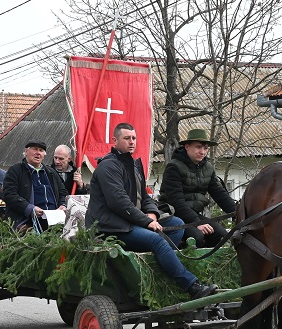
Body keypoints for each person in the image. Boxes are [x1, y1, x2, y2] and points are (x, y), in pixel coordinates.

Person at [85, 122, 217, 299]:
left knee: (178, 224)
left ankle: (161, 271)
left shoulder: (133, 165)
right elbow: (119, 203)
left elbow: (145, 198)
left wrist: (152, 214)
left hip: (131, 222)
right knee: (157, 241)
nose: (131, 142)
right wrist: (147, 222)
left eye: (133, 138)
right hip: (111, 227)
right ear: (114, 140)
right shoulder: (108, 167)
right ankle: (192, 286)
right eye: (127, 138)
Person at [159, 128, 237, 248]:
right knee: (196, 237)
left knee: (220, 234)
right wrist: (197, 223)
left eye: (205, 148)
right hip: (172, 214)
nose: (202, 151)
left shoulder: (207, 168)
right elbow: (176, 201)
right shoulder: (173, 167)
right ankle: (188, 264)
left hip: (193, 214)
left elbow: (220, 194)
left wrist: (237, 213)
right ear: (187, 146)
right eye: (198, 147)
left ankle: (209, 266)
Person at [3, 139, 66, 231]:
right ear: (26, 151)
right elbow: (9, 194)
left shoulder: (51, 172)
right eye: (35, 149)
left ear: (44, 155)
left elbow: (63, 192)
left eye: (41, 150)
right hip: (25, 219)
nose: (38, 153)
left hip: (54, 219)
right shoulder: (15, 170)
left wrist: (62, 205)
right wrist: (29, 209)